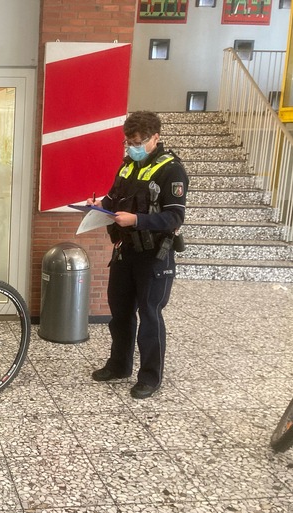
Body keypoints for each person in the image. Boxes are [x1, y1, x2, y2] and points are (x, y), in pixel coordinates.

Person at [87, 111, 188, 399]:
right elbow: (112, 198)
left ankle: (150, 376)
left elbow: (174, 218)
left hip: (155, 255)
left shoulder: (172, 170)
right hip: (125, 251)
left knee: (150, 315)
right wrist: (98, 205)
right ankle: (119, 365)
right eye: (127, 141)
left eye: (138, 141)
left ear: (155, 137)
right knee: (119, 314)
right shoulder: (127, 166)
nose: (131, 146)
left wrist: (137, 220)